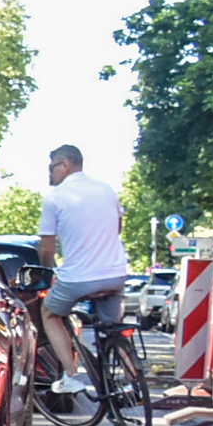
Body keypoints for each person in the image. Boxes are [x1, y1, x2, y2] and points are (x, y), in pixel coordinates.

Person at [38, 144, 130, 396]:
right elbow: (117, 227)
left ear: (65, 165)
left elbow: (47, 249)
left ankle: (70, 375)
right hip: (115, 273)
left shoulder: (54, 197)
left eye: (52, 167)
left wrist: (50, 273)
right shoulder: (106, 190)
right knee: (114, 327)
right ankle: (132, 377)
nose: (50, 173)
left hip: (78, 278)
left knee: (50, 314)